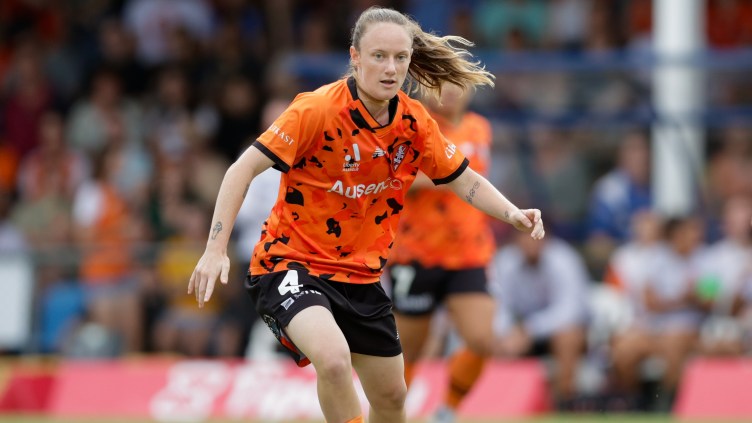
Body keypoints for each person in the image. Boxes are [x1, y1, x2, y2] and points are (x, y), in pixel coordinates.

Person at [188, 7, 545, 423]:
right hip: (291, 264)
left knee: (392, 396)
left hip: (361, 276)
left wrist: (512, 213)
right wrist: (215, 249)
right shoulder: (316, 109)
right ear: (355, 57)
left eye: (400, 58)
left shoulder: (414, 122)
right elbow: (241, 170)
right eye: (379, 56)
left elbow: (464, 179)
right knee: (334, 359)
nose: (390, 68)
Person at [386, 82, 496, 423]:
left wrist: (450, 175)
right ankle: (390, 415)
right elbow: (395, 180)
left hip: (468, 253)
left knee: (481, 339)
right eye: (440, 86)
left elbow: (478, 184)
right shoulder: (414, 126)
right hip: (417, 254)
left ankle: (446, 411)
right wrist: (450, 175)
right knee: (408, 351)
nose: (449, 93)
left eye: (456, 85)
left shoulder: (479, 128)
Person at [490, 231, 589, 407]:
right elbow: (499, 306)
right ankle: (504, 406)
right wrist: (507, 334)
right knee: (490, 340)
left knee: (568, 338)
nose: (530, 242)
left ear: (546, 238)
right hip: (520, 332)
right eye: (524, 236)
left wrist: (529, 330)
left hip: (556, 331)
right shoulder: (505, 261)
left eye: (534, 237)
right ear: (515, 240)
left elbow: (570, 310)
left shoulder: (564, 259)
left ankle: (564, 402)